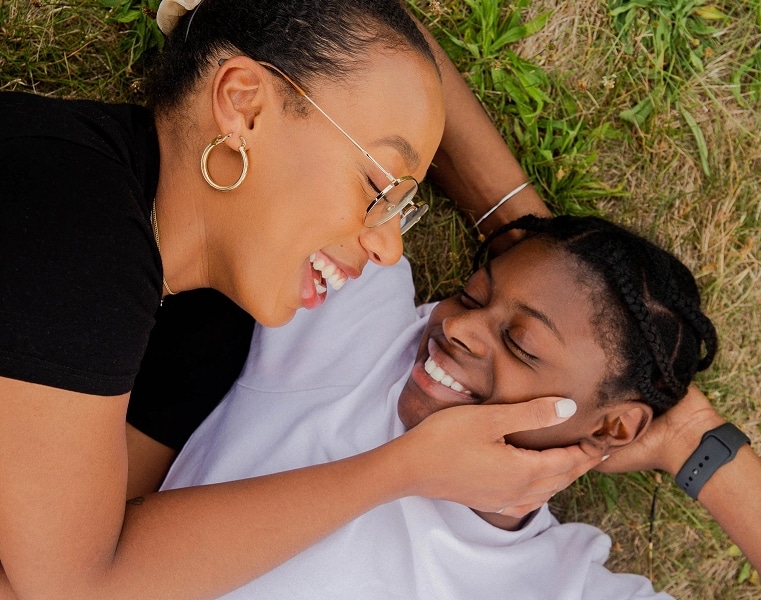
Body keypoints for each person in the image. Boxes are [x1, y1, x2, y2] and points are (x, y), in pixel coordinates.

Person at [0, 2, 598, 598]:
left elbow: (102, 555)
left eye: (399, 211)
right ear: (244, 105)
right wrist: (407, 469)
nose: (389, 247)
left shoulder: (210, 328)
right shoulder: (74, 217)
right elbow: (71, 587)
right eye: (378, 187)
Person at [161, 214, 717, 599]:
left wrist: (693, 439)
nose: (458, 327)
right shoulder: (363, 327)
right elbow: (354, 57)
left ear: (616, 426)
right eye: (471, 295)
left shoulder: (555, 584)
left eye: (521, 343)